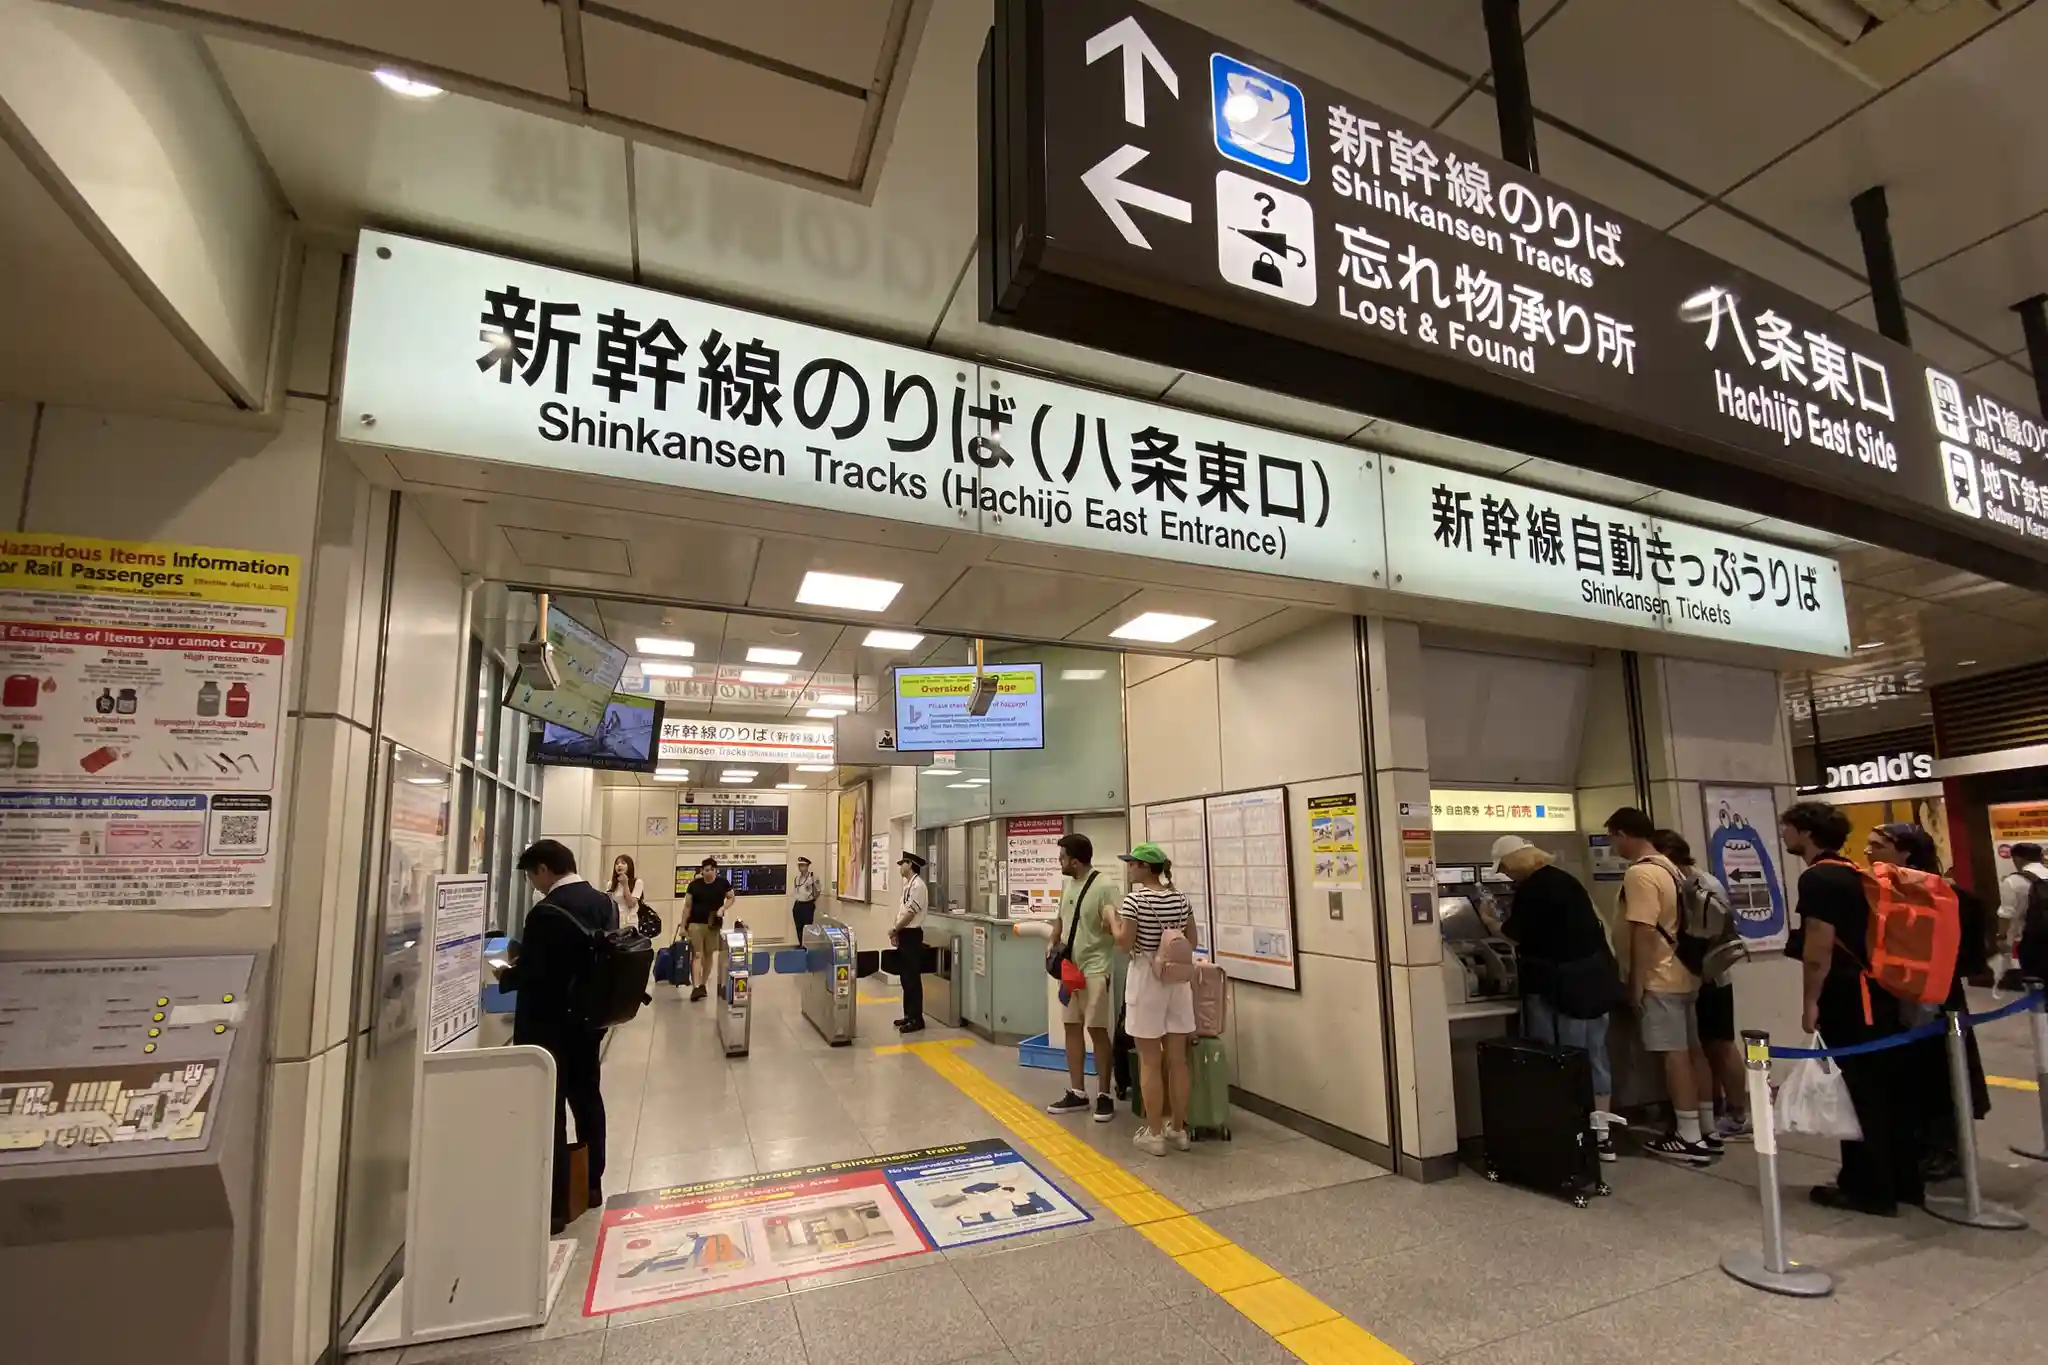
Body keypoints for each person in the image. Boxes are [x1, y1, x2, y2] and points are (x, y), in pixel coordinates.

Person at [1782, 801, 1922, 1215]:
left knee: (1859, 1090)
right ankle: (1902, 1181)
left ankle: (1868, 1188)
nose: (1784, 834)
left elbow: (1818, 949)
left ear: (1806, 832)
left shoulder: (1818, 878)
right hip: (1878, 993)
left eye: (1788, 828)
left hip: (1848, 996)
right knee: (1883, 1089)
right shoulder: (1854, 872)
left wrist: (1809, 1002)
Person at [1866, 821, 1990, 1183]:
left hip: (1937, 1001)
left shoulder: (1946, 895)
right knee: (1908, 1075)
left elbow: (1970, 954)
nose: (1869, 851)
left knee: (1942, 1073)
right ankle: (1916, 1145)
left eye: (1878, 845)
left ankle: (1947, 1148)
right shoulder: (1877, 892)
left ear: (1906, 852)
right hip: (1892, 999)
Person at [500, 839, 613, 1232]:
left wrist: (507, 973)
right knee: (588, 1099)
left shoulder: (545, 912)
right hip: (589, 1022)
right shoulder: (603, 903)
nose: (534, 883)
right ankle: (592, 1185)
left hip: (548, 1026)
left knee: (551, 1110)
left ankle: (557, 1205)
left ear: (544, 869)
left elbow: (535, 973)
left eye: (532, 876)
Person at [1489, 835, 1619, 1161]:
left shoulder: (1533, 889)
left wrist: (1489, 921)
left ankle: (1566, 1132)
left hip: (1557, 990)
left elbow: (1515, 935)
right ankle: (1601, 1135)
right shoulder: (1566, 880)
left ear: (1515, 862)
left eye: (1504, 868)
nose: (1505, 875)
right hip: (1595, 984)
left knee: (1557, 1058)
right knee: (1595, 1058)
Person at [1605, 807, 1713, 1166]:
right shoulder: (1670, 867)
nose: (1613, 846)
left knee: (1674, 1056)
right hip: (1684, 972)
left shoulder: (1641, 873)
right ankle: (1706, 1128)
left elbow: (1644, 930)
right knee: (1692, 1051)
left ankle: (1688, 1138)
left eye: (1613, 838)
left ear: (1623, 834)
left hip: (1659, 977)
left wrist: (1636, 982)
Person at [1651, 830, 1750, 1143]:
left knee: (1719, 1045)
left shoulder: (1696, 885)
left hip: (1708, 976)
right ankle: (1716, 1107)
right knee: (1706, 1046)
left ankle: (1738, 1112)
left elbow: (1707, 933)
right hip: (1700, 974)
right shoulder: (1693, 880)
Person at [1110, 843, 1196, 1157]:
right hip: (1177, 982)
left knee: (1149, 1060)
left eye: (1133, 863)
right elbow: (1192, 940)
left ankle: (1155, 1134)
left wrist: (1112, 919)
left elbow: (1124, 943)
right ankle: (1179, 1130)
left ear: (1146, 867)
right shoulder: (1181, 898)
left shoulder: (1134, 901)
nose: (1129, 868)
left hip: (1147, 979)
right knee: (1178, 1060)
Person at [1040, 833, 1121, 1122]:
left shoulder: (1105, 886)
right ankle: (1078, 1092)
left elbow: (1115, 925)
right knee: (1071, 1027)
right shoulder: (1067, 885)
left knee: (1097, 1030)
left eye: (1062, 858)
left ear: (1075, 861)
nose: (1059, 862)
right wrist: (1053, 938)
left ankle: (1104, 1094)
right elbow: (1061, 919)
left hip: (1096, 969)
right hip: (1070, 970)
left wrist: (1110, 926)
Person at [682, 857, 734, 1002]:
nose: (709, 872)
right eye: (706, 870)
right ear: (702, 871)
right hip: (695, 923)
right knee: (697, 954)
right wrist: (683, 925)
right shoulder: (694, 885)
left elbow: (731, 897)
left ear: (716, 871)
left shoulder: (723, 883)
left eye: (712, 870)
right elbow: (687, 906)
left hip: (713, 924)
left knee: (709, 954)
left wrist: (723, 908)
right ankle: (696, 986)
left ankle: (703, 984)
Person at [892, 852, 930, 1033]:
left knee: (912, 977)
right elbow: (902, 911)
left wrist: (895, 929)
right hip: (905, 933)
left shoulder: (918, 886)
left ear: (910, 864)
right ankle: (908, 1015)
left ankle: (917, 1018)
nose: (900, 867)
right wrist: (896, 931)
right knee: (905, 977)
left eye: (903, 864)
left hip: (912, 935)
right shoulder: (908, 885)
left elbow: (910, 914)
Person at [1999, 841, 2048, 979]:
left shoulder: (2012, 881)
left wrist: (2002, 937)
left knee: (2035, 979)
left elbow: (2006, 914)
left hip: (2031, 940)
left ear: (2017, 859)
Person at [606, 854, 640, 933]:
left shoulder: (637, 882)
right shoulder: (611, 884)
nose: (619, 865)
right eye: (617, 864)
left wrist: (625, 884)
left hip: (630, 922)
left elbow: (631, 904)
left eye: (623, 863)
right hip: (615, 921)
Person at [791, 855, 822, 941]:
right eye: (799, 865)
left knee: (807, 928)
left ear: (807, 866)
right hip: (798, 905)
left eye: (802, 865)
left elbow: (818, 891)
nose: (800, 867)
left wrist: (812, 900)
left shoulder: (812, 877)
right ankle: (801, 944)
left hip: (807, 905)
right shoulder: (797, 878)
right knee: (799, 927)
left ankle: (806, 945)